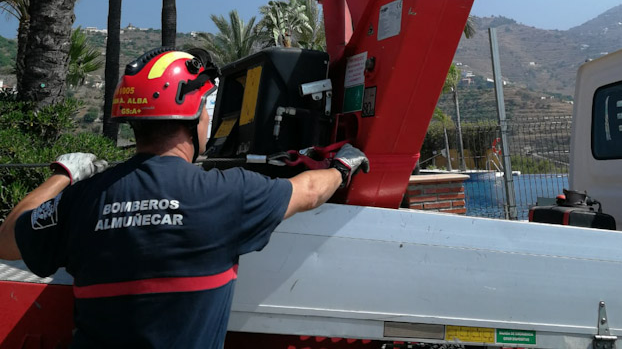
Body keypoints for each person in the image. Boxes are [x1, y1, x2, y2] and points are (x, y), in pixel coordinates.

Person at [0, 48, 369, 348]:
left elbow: (6, 240)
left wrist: (63, 174)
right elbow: (308, 191)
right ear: (194, 118)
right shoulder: (227, 193)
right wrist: (341, 166)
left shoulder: (82, 199)